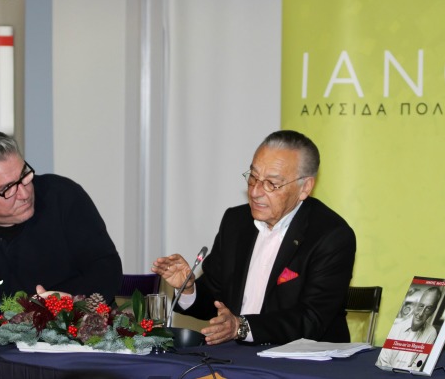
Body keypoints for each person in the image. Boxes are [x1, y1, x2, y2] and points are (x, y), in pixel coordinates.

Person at [152, 130, 356, 345]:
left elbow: (311, 319)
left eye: (272, 184)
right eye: (253, 177)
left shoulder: (331, 236)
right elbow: (215, 299)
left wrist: (241, 327)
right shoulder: (236, 222)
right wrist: (188, 288)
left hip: (301, 359)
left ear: (304, 187)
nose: (256, 191)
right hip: (234, 356)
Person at [0, 127, 123, 318]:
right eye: (7, 189)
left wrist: (64, 302)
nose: (24, 194)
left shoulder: (63, 196)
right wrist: (27, 309)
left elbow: (106, 269)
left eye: (24, 176)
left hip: (79, 323)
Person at [377, 287, 442, 371]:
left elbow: (417, 366)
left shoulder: (431, 333)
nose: (421, 314)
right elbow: (383, 362)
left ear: (433, 311)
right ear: (417, 305)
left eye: (428, 308)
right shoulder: (396, 326)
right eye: (421, 306)